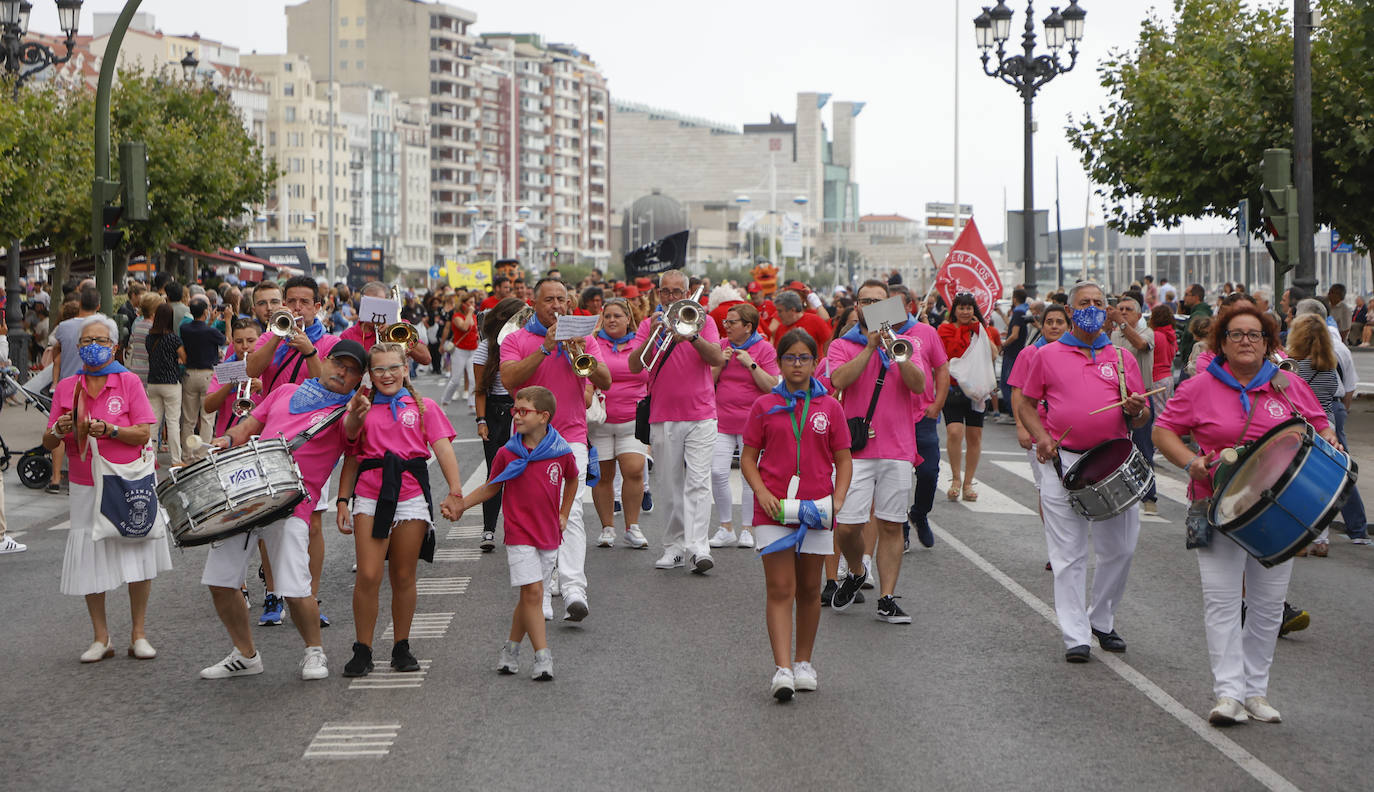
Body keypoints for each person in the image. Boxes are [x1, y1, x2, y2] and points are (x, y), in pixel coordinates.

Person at [1152, 303, 1335, 726]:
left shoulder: (1287, 385)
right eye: (1237, 334)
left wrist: (1330, 439)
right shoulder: (1199, 387)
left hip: (1280, 511)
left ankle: (1256, 691)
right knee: (1221, 602)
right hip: (1218, 508)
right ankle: (1228, 694)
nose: (1246, 341)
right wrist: (1188, 463)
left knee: (1269, 606)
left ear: (1269, 342)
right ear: (1221, 342)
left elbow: (1320, 423)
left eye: (1255, 334)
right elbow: (1164, 430)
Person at [198, 340, 368, 681]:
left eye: (351, 371)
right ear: (325, 361)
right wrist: (226, 440)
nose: (342, 372)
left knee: (294, 588)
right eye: (338, 363)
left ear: (358, 381)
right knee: (219, 582)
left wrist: (356, 415)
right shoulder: (286, 391)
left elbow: (350, 435)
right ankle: (246, 655)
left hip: (293, 506)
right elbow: (249, 426)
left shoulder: (345, 413)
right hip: (247, 494)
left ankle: (314, 652)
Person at [1018, 282, 1150, 662]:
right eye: (1084, 303)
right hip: (1066, 464)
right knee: (1069, 554)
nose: (1092, 308)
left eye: (1098, 302)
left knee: (1121, 549)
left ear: (1106, 310)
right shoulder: (1048, 355)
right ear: (1071, 310)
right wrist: (1041, 436)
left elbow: (1141, 417)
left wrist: (1137, 408)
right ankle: (1075, 633)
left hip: (1115, 462)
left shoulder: (1121, 358)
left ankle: (1102, 618)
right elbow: (1027, 403)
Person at [42, 315, 169, 662]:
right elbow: (48, 438)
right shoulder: (68, 386)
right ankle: (101, 638)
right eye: (85, 342)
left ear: (114, 346)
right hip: (85, 481)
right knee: (90, 554)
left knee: (135, 550)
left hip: (127, 477)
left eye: (99, 341)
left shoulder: (127, 382)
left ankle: (138, 634)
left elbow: (144, 432)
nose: (92, 347)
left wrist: (109, 430)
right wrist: (60, 428)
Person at [336, 343, 464, 677]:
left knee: (404, 575)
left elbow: (443, 449)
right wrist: (342, 501)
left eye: (393, 367)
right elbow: (351, 452)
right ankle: (362, 649)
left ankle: (401, 646)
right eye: (378, 369)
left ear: (406, 369)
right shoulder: (362, 405)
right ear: (369, 374)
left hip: (409, 496)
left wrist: (455, 492)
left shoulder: (424, 407)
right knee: (367, 574)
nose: (386, 375)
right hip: (370, 495)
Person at [742, 329, 852, 700]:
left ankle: (804, 663)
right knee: (780, 589)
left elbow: (844, 459)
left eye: (805, 358)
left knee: (808, 588)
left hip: (816, 510)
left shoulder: (830, 407)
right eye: (790, 358)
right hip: (772, 509)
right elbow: (748, 457)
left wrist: (837, 501)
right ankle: (783, 669)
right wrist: (761, 494)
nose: (797, 364)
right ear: (780, 361)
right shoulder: (764, 405)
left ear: (815, 362)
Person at [500, 278, 611, 621]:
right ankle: (543, 588)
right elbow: (509, 380)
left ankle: (575, 587)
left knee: (572, 509)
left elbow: (605, 380)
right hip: (529, 438)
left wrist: (582, 352)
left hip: (572, 435)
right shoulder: (517, 338)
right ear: (534, 303)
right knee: (538, 512)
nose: (557, 306)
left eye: (561, 299)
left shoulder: (584, 337)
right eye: (549, 300)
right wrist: (545, 349)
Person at [460, 385, 578, 682]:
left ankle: (510, 649)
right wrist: (462, 505)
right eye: (515, 410)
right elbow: (492, 486)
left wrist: (563, 513)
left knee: (529, 596)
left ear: (544, 416)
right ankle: (542, 656)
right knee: (535, 593)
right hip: (519, 532)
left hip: (549, 532)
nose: (516, 416)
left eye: (523, 411)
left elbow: (573, 479)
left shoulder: (560, 451)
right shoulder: (507, 452)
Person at [826, 280, 926, 623]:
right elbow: (838, 381)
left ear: (890, 307)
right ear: (856, 308)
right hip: (856, 448)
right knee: (847, 526)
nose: (871, 307)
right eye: (865, 301)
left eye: (878, 302)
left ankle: (886, 597)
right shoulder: (841, 344)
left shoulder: (908, 342)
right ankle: (856, 570)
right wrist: (869, 349)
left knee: (891, 525)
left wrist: (894, 350)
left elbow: (919, 385)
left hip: (897, 448)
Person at [245, 275, 341, 626]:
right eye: (292, 302)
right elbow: (252, 368)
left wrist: (308, 350)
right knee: (269, 518)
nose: (297, 308)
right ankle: (274, 593)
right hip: (271, 436)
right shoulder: (272, 335)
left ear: (318, 306)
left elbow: (331, 385)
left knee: (312, 522)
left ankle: (309, 596)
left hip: (313, 443)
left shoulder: (330, 341)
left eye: (304, 302)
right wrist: (277, 339)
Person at [629, 269, 728, 574]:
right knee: (670, 485)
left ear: (687, 295)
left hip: (701, 414)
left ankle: (698, 547)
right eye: (665, 292)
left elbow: (716, 359)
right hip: (663, 414)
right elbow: (635, 366)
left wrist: (691, 335)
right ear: (658, 294)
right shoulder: (649, 325)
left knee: (698, 483)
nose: (671, 297)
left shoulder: (705, 321)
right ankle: (673, 546)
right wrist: (656, 333)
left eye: (676, 292)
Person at [709, 303, 780, 550]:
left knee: (751, 478)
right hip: (722, 420)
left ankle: (748, 528)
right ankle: (725, 526)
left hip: (753, 424)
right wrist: (719, 364)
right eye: (725, 322)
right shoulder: (720, 346)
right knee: (717, 473)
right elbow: (707, 383)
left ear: (748, 326)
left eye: (732, 322)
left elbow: (772, 386)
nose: (726, 326)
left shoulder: (765, 349)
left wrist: (751, 363)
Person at [587, 298, 651, 550]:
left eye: (617, 315)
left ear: (628, 319)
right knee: (603, 476)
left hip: (633, 420)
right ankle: (607, 528)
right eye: (608, 315)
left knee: (634, 470)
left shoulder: (639, 343)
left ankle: (632, 527)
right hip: (600, 420)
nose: (612, 320)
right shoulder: (593, 342)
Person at [899, 288, 951, 552]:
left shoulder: (926, 331)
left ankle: (919, 513)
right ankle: (902, 529)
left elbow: (942, 369)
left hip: (923, 416)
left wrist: (938, 403)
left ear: (909, 305)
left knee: (929, 472)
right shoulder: (875, 333)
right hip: (893, 419)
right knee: (897, 478)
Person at [473, 298, 525, 553]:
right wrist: (481, 421)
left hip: (523, 410)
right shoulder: (486, 347)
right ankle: (489, 529)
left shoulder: (526, 343)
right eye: (517, 317)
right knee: (496, 473)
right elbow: (481, 389)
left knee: (524, 473)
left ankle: (518, 528)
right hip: (495, 412)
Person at [938, 293, 1001, 502]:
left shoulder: (981, 330)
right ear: (954, 310)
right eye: (961, 308)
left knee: (974, 437)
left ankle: (968, 483)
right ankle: (956, 479)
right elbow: (940, 357)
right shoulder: (944, 329)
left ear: (974, 310)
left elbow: (993, 354)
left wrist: (980, 330)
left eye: (969, 308)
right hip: (952, 389)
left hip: (976, 392)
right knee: (954, 432)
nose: (965, 312)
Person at [47, 288, 102, 493]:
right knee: (90, 429)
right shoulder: (100, 326)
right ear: (98, 305)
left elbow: (56, 354)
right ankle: (84, 476)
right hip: (91, 383)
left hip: (66, 383)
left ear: (79, 304)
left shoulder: (63, 327)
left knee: (60, 429)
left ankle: (55, 477)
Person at [1110, 296, 1157, 514]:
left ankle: (1149, 496)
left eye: (1128, 309)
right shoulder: (1113, 334)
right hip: (1117, 398)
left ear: (1139, 315)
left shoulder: (1147, 333)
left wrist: (1121, 323)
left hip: (1141, 398)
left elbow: (1140, 345)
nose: (1123, 312)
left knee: (1143, 448)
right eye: (1120, 309)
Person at [179, 299, 227, 455]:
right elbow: (226, 340)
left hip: (190, 374)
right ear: (206, 312)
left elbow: (200, 333)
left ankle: (187, 454)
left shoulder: (185, 328)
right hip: (207, 375)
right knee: (207, 418)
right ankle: (202, 455)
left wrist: (211, 321)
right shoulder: (210, 332)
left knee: (188, 419)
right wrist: (227, 320)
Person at [144, 302, 186, 467]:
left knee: (153, 422)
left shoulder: (149, 338)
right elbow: (184, 357)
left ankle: (151, 458)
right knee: (173, 422)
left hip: (153, 382)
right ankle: (176, 459)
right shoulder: (173, 338)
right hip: (171, 383)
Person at [996, 288, 1030, 424]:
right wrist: (1001, 314)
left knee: (1006, 383)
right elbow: (1012, 327)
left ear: (1014, 299)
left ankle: (1012, 413)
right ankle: (1013, 413)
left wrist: (1003, 345)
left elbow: (1014, 334)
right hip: (1017, 352)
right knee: (1012, 383)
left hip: (1012, 353)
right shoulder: (1022, 312)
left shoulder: (1018, 313)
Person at [767, 290, 832, 356]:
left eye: (780, 311)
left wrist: (824, 360)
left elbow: (828, 340)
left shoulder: (815, 321)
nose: (778, 315)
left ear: (792, 310)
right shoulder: (780, 328)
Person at [441, 291, 478, 406]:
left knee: (473, 380)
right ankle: (444, 402)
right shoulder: (457, 316)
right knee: (455, 380)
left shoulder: (474, 316)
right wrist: (470, 313)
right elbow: (464, 327)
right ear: (463, 304)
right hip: (459, 351)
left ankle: (472, 405)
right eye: (470, 302)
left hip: (473, 350)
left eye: (474, 302)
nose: (473, 305)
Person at [125, 292, 161, 381]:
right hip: (150, 371)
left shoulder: (137, 325)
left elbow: (130, 346)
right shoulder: (155, 328)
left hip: (135, 368)